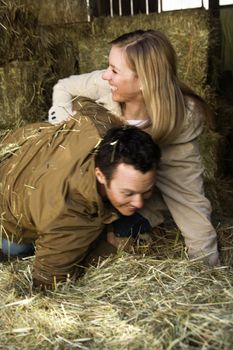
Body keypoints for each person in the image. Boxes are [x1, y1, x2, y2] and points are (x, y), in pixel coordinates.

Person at [48, 29, 219, 266]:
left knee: (105, 239)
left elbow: (189, 200)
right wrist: (60, 120)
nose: (106, 75)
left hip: (137, 197)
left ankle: (134, 221)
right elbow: (64, 86)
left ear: (144, 81)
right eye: (109, 67)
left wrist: (206, 265)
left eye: (115, 70)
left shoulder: (180, 126)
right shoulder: (104, 85)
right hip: (99, 183)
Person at [0, 97, 161, 288]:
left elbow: (80, 99)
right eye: (128, 193)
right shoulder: (70, 217)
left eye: (146, 191)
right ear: (100, 175)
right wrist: (108, 249)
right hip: (8, 212)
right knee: (15, 248)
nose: (139, 202)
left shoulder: (102, 122)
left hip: (20, 146)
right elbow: (47, 282)